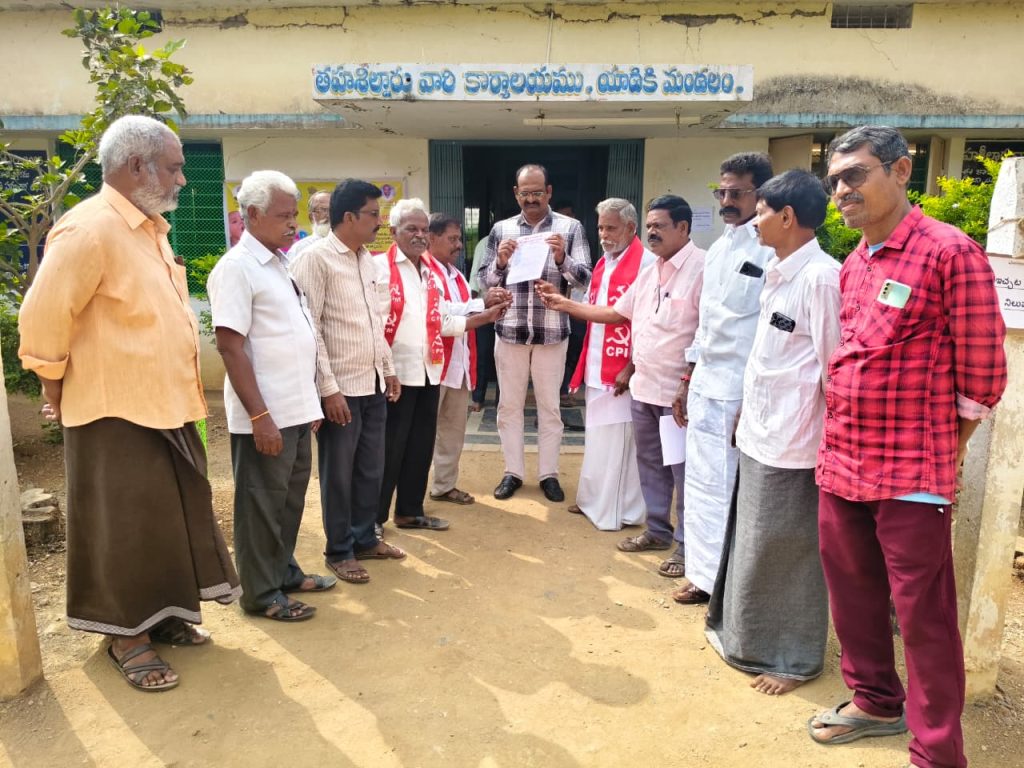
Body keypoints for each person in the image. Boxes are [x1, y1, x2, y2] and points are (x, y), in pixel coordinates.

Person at [18, 115, 240, 692]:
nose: (183, 179)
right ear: (137, 165)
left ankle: (161, 616)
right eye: (175, 167)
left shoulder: (150, 229)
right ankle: (126, 637)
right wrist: (53, 385)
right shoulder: (89, 229)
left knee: (164, 522)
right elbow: (42, 318)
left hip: (166, 403)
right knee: (122, 528)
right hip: (111, 411)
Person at [808, 126, 1007, 768]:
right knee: (853, 599)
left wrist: (951, 449)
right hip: (843, 460)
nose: (842, 190)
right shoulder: (856, 262)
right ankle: (874, 701)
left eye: (855, 175)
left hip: (911, 472)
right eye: (835, 180)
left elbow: (983, 374)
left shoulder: (950, 252)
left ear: (900, 171)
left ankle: (938, 751)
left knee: (923, 618)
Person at [704, 169, 840, 694]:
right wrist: (746, 412)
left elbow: (833, 369)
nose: (754, 220)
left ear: (786, 217)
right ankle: (746, 637)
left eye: (760, 212)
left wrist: (831, 443)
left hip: (795, 442)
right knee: (754, 541)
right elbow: (768, 360)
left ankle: (792, 659)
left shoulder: (820, 279)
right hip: (761, 433)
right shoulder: (780, 271)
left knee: (791, 553)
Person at [539, 195, 704, 572]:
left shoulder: (702, 268)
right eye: (650, 226)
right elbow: (617, 314)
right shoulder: (650, 271)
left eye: (659, 226)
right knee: (650, 464)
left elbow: (705, 332)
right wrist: (564, 304)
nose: (652, 232)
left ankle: (685, 547)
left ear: (682, 228)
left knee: (681, 470)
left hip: (677, 393)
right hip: (645, 387)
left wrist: (687, 380)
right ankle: (658, 531)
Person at [208, 170, 335, 623]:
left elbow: (294, 336)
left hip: (296, 411)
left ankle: (283, 572)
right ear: (254, 214)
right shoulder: (237, 269)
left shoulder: (279, 264)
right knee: (261, 505)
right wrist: (260, 416)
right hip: (266, 416)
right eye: (284, 215)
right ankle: (261, 593)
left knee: (288, 502)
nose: (293, 223)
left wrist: (310, 403)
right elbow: (230, 346)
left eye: (294, 214)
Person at [290, 179, 405, 586]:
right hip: (340, 389)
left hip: (372, 384)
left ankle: (364, 538)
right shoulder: (315, 259)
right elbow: (311, 328)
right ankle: (339, 550)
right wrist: (328, 389)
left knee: (371, 469)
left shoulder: (367, 260)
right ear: (350, 217)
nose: (380, 222)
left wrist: (387, 368)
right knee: (339, 474)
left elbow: (375, 320)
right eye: (374, 214)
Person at [671, 152, 775, 605]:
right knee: (701, 485)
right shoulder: (717, 250)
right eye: (722, 192)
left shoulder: (771, 250)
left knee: (733, 489)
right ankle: (701, 574)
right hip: (705, 386)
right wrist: (686, 378)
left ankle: (729, 586)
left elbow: (768, 334)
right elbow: (706, 322)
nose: (727, 201)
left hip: (739, 391)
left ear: (761, 194)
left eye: (737, 193)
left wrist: (752, 401)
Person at [374, 200, 506, 532]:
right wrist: (386, 370)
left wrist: (485, 316)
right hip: (396, 375)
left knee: (419, 447)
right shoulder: (378, 268)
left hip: (430, 371)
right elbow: (372, 325)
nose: (419, 235)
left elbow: (442, 321)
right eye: (412, 229)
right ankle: (373, 519)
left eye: (422, 229)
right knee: (390, 448)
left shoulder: (429, 273)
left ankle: (409, 511)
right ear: (393, 232)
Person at [481, 164, 592, 502]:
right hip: (510, 331)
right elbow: (484, 280)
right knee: (508, 407)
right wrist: (500, 263)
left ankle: (549, 475)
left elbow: (585, 279)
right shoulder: (501, 230)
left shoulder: (570, 228)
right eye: (525, 193)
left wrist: (561, 259)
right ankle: (512, 472)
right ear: (516, 193)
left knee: (550, 408)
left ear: (549, 192)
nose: (531, 199)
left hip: (552, 332)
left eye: (537, 192)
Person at [563, 198, 656, 530]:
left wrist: (631, 366)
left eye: (611, 228)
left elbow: (646, 321)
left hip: (622, 369)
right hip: (597, 363)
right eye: (601, 227)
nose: (603, 234)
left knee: (620, 442)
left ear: (631, 228)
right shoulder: (605, 262)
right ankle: (592, 501)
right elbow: (592, 309)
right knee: (598, 438)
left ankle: (617, 511)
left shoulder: (647, 264)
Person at [428, 212, 498, 506]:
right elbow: (442, 318)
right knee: (422, 435)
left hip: (457, 366)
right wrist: (483, 312)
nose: (459, 245)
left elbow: (460, 307)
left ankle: (444, 486)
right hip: (432, 367)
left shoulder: (455, 274)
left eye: (459, 239)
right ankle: (407, 495)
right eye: (452, 239)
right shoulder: (425, 272)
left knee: (453, 433)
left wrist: (484, 303)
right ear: (431, 238)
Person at [288, 190, 331, 258]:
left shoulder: (346, 245)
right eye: (323, 210)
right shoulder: (300, 249)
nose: (328, 215)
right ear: (311, 217)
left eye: (332, 210)